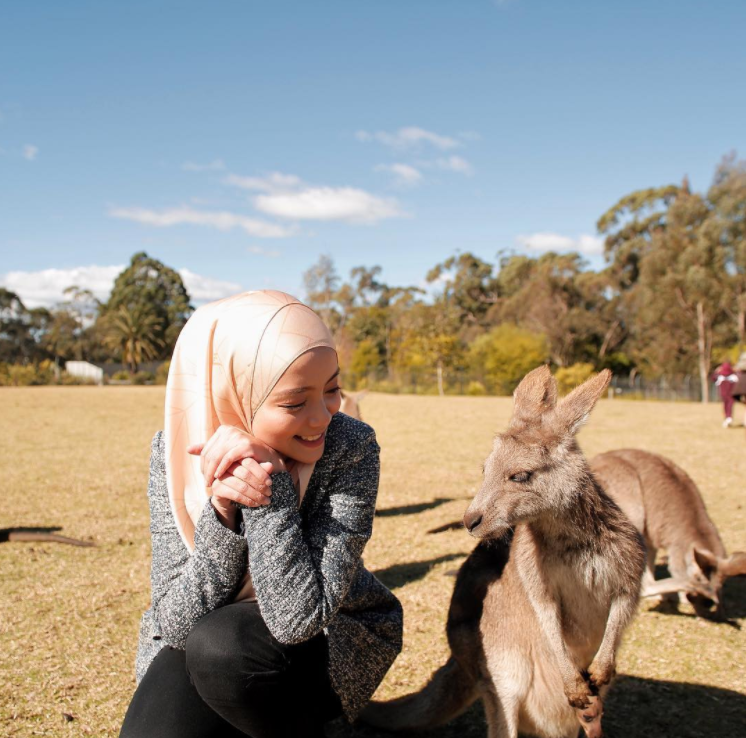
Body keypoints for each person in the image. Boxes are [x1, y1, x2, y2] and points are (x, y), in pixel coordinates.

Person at [119, 291, 403, 738]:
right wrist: (222, 513)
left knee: (223, 646)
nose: (323, 417)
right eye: (295, 402)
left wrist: (265, 492)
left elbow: (299, 618)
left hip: (325, 639)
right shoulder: (175, 453)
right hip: (196, 635)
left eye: (332, 389)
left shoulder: (352, 447)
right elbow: (172, 623)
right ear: (233, 394)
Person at [711, 360, 738, 427]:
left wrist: (716, 371)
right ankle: (728, 418)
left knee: (726, 406)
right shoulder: (734, 376)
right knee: (729, 406)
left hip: (724, 395)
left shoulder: (720, 376)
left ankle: (728, 418)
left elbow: (713, 377)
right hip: (731, 395)